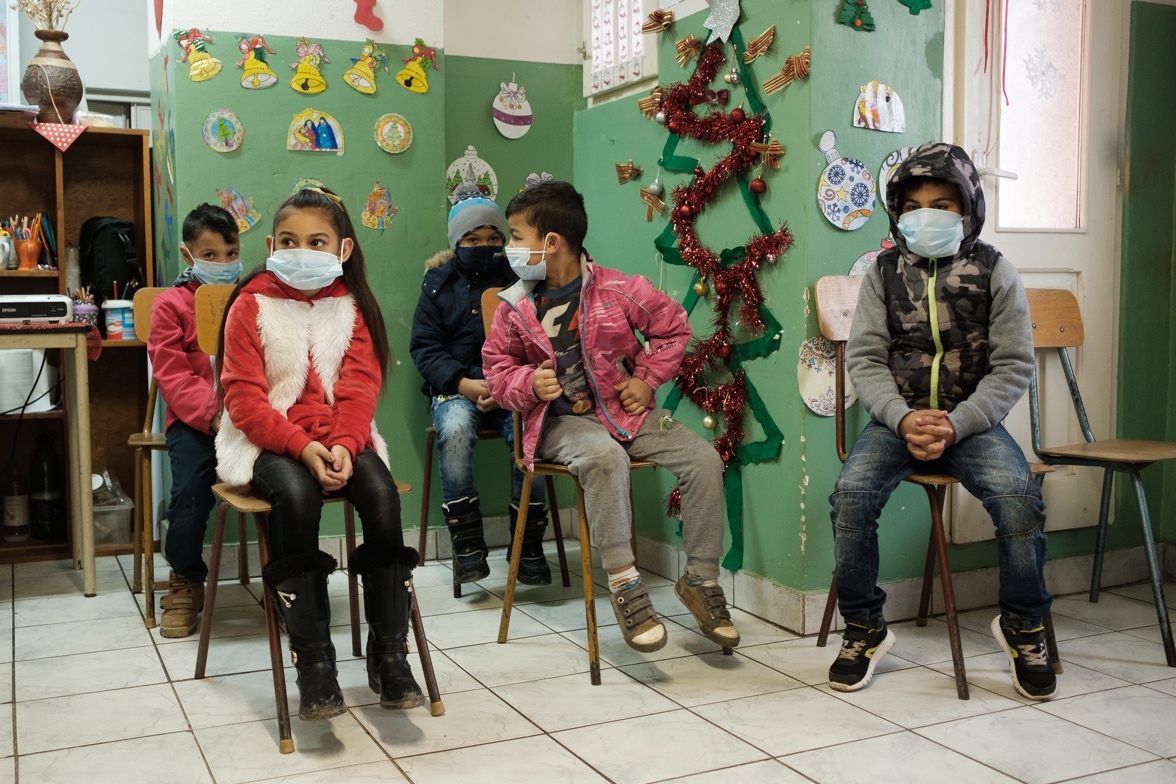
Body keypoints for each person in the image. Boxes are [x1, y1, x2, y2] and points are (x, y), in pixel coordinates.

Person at [827, 142, 1055, 700]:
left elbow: (1013, 365)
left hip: (973, 424)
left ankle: (1024, 625)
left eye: (942, 204)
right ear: (896, 213)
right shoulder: (883, 273)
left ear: (969, 208)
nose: (925, 215)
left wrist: (959, 423)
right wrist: (903, 420)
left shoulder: (995, 271)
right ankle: (864, 627)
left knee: (1018, 499)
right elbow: (865, 358)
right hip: (896, 423)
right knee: (851, 498)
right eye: (913, 206)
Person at [482, 180, 739, 653]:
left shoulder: (620, 289)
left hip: (628, 414)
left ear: (551, 242)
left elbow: (674, 329)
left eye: (516, 236)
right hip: (559, 426)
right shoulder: (513, 308)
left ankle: (701, 580)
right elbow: (497, 372)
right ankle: (624, 583)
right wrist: (528, 384)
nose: (509, 247)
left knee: (704, 459)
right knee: (605, 457)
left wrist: (646, 379)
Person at [214, 187, 424, 720]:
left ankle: (389, 654)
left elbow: (359, 391)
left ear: (343, 250)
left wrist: (345, 446)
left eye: (316, 242)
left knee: (381, 494)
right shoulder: (250, 304)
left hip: (341, 436)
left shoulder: (352, 307)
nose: (301, 251)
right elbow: (244, 400)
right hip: (267, 437)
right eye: (288, 241)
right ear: (270, 245)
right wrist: (303, 447)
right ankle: (314, 664)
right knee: (296, 495)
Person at [409, 184, 550, 587]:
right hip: (457, 388)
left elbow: (537, 341)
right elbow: (425, 347)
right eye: (473, 240)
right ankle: (467, 544)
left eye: (493, 238)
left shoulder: (521, 279)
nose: (484, 246)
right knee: (454, 429)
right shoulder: (437, 284)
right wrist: (464, 384)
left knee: (533, 437)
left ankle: (528, 543)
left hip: (513, 386)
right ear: (457, 242)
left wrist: (508, 384)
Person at [147, 203, 241, 639]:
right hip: (196, 422)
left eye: (230, 253)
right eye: (210, 255)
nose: (223, 263)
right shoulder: (170, 305)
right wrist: (213, 414)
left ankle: (287, 579)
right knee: (188, 494)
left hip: (250, 417)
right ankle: (185, 577)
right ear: (188, 255)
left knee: (284, 484)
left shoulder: (250, 297)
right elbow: (173, 375)